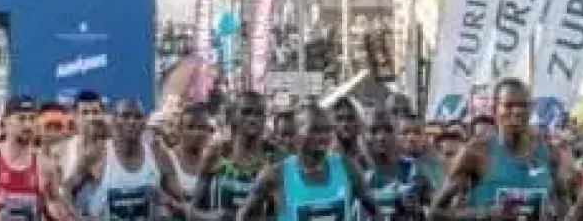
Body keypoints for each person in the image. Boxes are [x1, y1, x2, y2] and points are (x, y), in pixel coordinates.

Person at [433, 78, 573, 221]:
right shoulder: (476, 151)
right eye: (509, 105)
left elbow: (564, 200)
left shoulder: (548, 151)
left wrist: (553, 212)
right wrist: (487, 214)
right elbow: (436, 212)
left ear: (531, 109)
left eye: (523, 105)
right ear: (495, 110)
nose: (517, 111)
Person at [234, 104, 381, 221]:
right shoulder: (275, 173)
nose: (323, 136)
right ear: (296, 133)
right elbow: (244, 214)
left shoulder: (348, 167)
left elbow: (376, 212)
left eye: (327, 130)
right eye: (315, 130)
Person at [0, 95, 72, 221]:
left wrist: (56, 211)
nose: (27, 125)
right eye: (21, 119)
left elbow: (59, 206)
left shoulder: (45, 165)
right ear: (5, 121)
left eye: (32, 119)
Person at [73, 98, 183, 221]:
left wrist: (168, 202)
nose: (131, 121)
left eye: (137, 117)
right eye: (125, 116)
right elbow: (66, 190)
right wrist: (77, 216)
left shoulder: (158, 155)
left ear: (145, 122)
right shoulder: (97, 153)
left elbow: (183, 202)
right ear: (114, 120)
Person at [195, 91, 275, 219]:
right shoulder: (216, 152)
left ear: (265, 119)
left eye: (259, 113)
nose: (253, 119)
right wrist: (212, 216)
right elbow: (193, 210)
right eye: (246, 112)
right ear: (233, 116)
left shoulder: (274, 158)